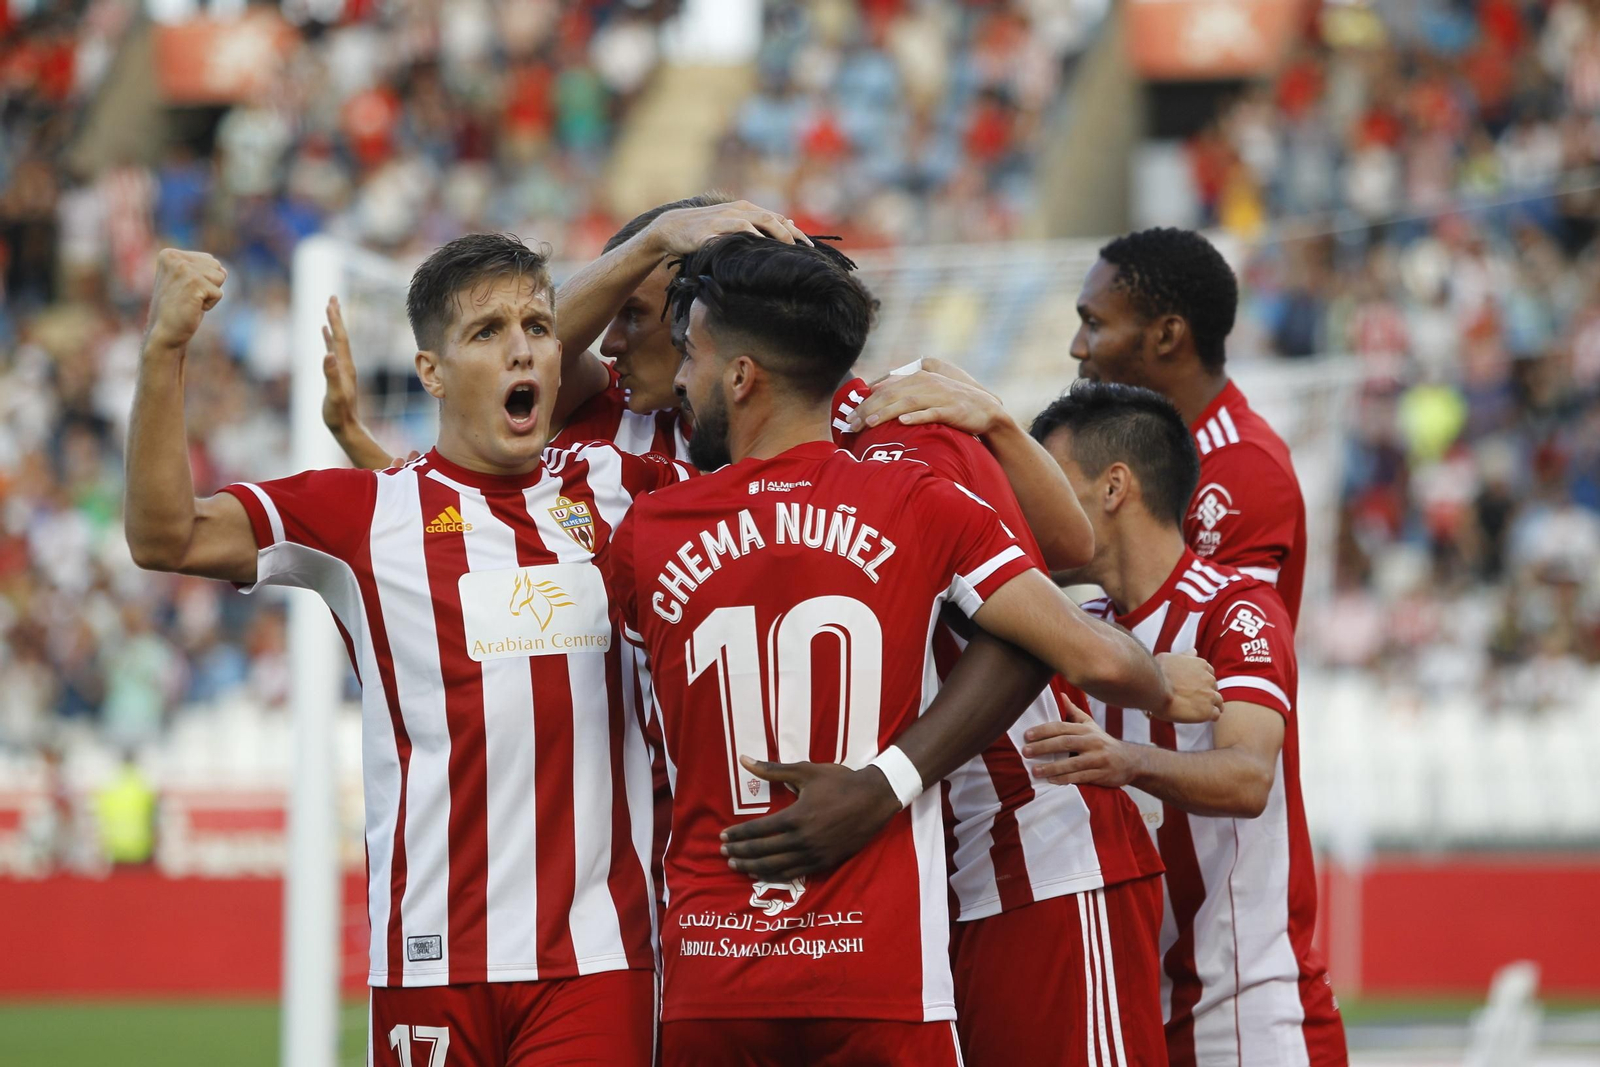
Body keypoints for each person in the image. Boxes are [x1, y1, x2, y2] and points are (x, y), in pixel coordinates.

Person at [605, 234, 1217, 1065]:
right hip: (907, 890)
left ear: (740, 365)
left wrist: (994, 420)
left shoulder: (906, 430)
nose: (611, 347)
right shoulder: (719, 473)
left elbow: (1063, 563)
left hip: (1022, 845)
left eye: (645, 320)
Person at [124, 237, 695, 1066]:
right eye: (487, 331)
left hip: (597, 962)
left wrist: (898, 413)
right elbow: (163, 534)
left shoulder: (626, 490)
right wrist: (166, 347)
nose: (522, 348)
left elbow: (789, 473)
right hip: (430, 963)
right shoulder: (365, 516)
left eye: (537, 326)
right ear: (431, 371)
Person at [1020, 381, 1347, 1067]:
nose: (1034, 505)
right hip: (1131, 1014)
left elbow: (1248, 777)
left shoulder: (1237, 609)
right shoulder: (1079, 638)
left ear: (1114, 487)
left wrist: (1128, 760)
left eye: (1051, 481)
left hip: (1247, 1016)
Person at [322, 193, 783, 466]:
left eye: (633, 314)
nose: (609, 343)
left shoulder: (819, 435)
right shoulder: (602, 407)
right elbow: (443, 519)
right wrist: (654, 239)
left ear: (700, 316)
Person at [1069, 228, 1308, 624]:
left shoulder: (1240, 468)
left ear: (1166, 335)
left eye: (1094, 324)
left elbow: (1216, 650)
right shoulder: (1148, 451)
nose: (1077, 347)